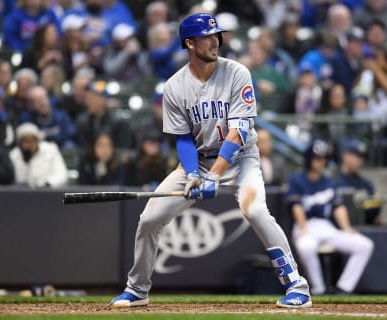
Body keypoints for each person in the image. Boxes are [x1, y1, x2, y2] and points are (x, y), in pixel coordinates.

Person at [110, 13, 312, 309]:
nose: (215, 40)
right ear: (189, 43)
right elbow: (182, 139)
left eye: (216, 35)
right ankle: (137, 289)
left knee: (255, 211)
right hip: (200, 161)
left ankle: (297, 285)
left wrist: (214, 175)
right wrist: (193, 173)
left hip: (240, 159)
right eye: (207, 36)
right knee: (149, 219)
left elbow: (239, 131)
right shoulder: (175, 86)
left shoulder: (237, 73)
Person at [286, 139, 374, 295]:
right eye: (317, 158)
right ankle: (318, 289)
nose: (321, 162)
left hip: (325, 226)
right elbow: (296, 206)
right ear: (309, 159)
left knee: (364, 245)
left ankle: (343, 288)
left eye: (324, 159)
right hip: (305, 225)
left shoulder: (329, 181)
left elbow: (338, 207)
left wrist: (347, 228)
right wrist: (304, 229)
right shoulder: (297, 179)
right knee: (306, 247)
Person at [75, 80, 131, 150]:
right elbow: (83, 149)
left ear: (103, 100)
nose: (88, 102)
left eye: (92, 99)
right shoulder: (83, 122)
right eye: (87, 99)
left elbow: (123, 150)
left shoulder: (119, 122)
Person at [9, 122, 68, 188]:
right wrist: (27, 158)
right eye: (26, 141)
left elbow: (61, 175)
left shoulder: (50, 150)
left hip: (48, 191)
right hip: (23, 193)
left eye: (32, 140)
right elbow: (17, 179)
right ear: (20, 142)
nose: (30, 144)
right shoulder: (14, 155)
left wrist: (47, 184)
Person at [336, 139, 380, 224]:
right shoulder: (332, 182)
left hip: (362, 228)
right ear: (346, 156)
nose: (360, 161)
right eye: (357, 156)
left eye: (362, 157)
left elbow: (373, 212)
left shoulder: (367, 184)